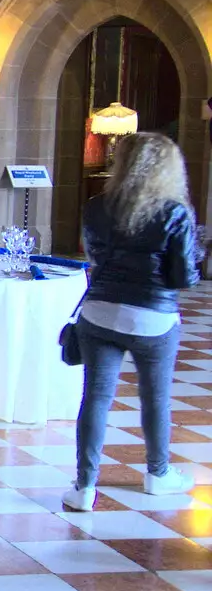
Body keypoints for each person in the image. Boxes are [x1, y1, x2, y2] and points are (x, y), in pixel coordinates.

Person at [68, 132, 201, 511]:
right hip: (152, 317)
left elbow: (94, 254)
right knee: (155, 397)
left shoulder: (96, 206)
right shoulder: (175, 212)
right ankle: (158, 474)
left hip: (99, 311)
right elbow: (183, 278)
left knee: (96, 397)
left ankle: (84, 487)